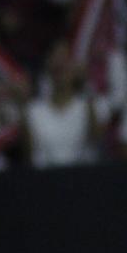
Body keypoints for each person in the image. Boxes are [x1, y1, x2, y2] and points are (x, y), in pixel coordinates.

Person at [21, 39, 105, 169]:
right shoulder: (34, 111)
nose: (60, 65)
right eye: (55, 61)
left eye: (64, 60)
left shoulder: (89, 104)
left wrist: (85, 86)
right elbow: (30, 156)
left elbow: (97, 140)